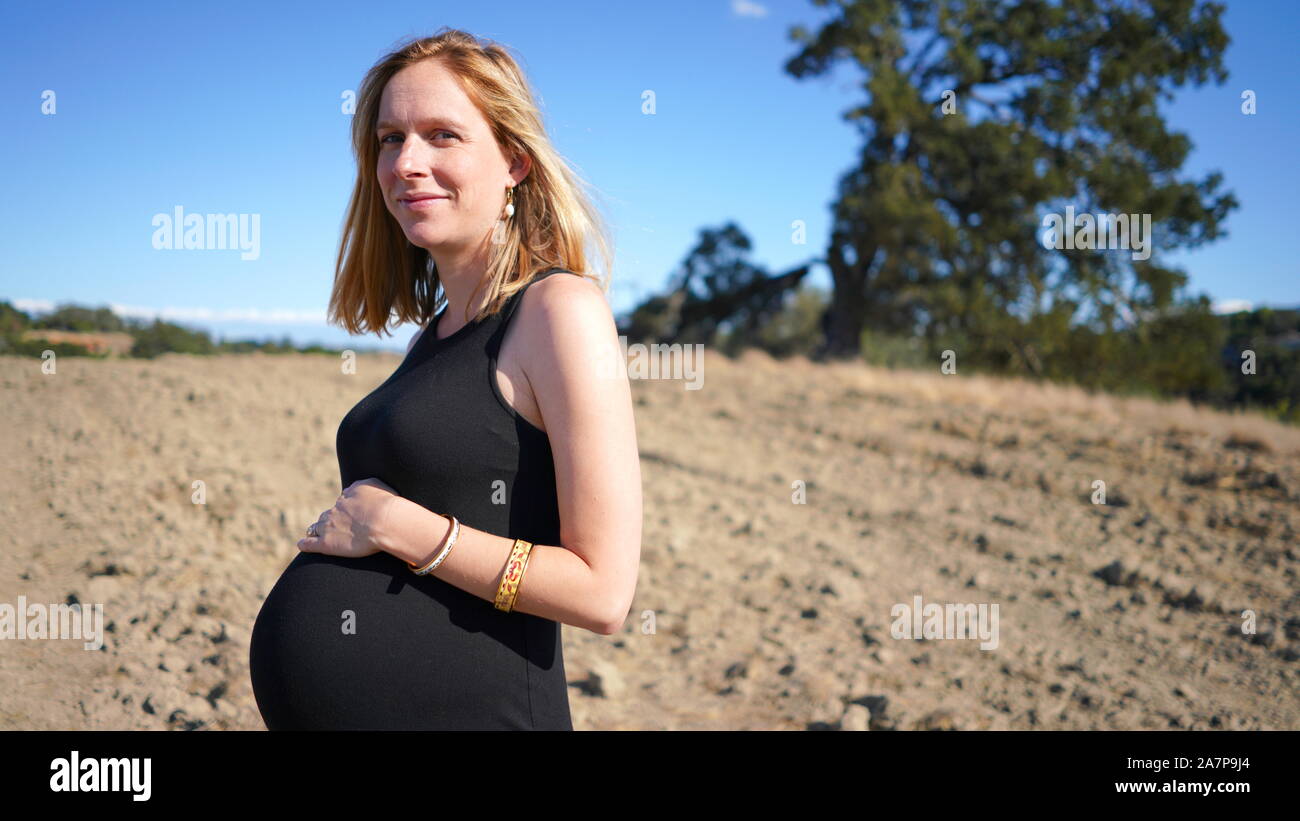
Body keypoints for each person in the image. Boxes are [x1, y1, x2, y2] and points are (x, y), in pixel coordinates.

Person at [248, 27, 642, 730]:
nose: (406, 162)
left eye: (441, 136)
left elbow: (603, 592)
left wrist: (400, 526)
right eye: (390, 139)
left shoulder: (560, 311)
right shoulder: (437, 334)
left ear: (515, 161)